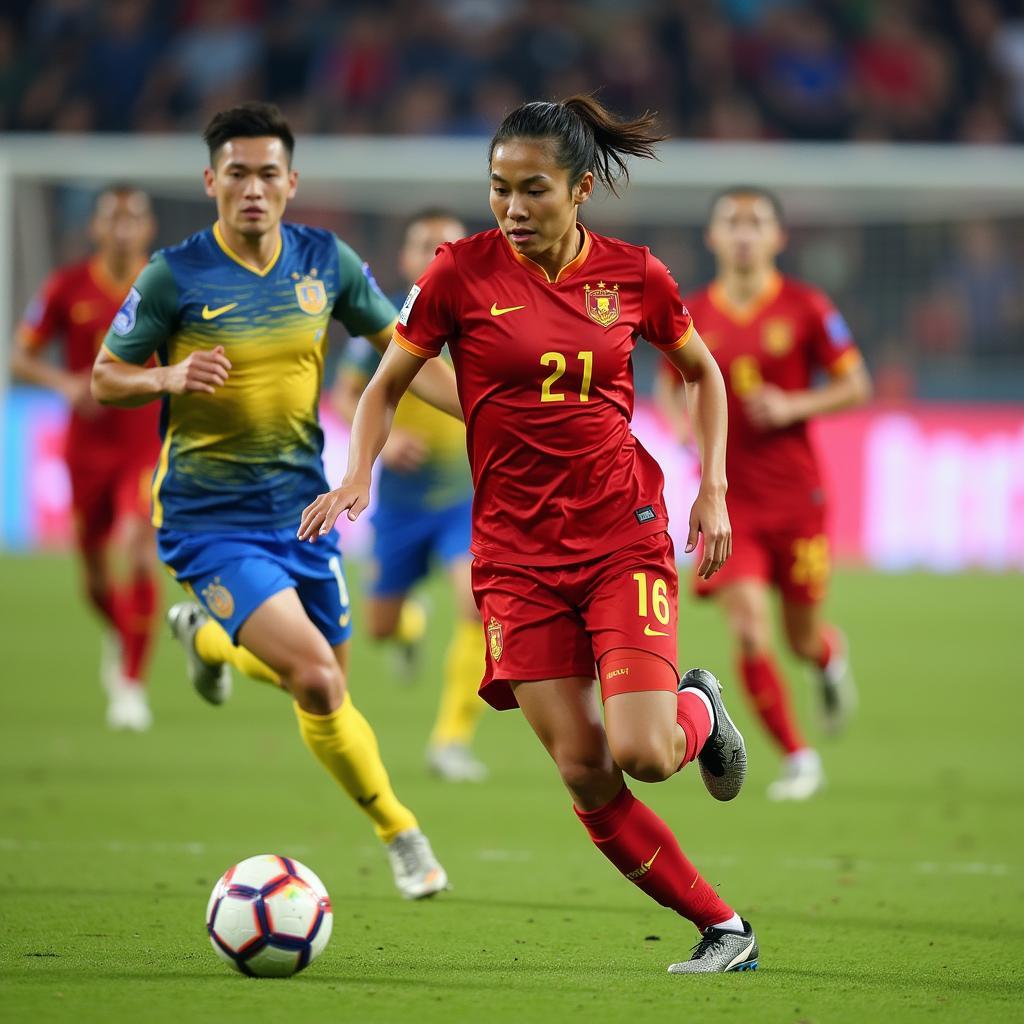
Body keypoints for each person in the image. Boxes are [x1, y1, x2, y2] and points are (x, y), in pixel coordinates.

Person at [300, 96, 760, 974]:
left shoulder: (637, 276)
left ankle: (696, 711)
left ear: (581, 189)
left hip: (620, 536)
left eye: (533, 191)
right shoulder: (456, 276)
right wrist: (355, 470)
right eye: (498, 190)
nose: (511, 210)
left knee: (644, 753)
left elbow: (703, 373)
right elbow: (384, 384)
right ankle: (724, 929)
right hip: (514, 559)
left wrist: (715, 489)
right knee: (586, 771)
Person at [90, 101, 461, 898]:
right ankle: (404, 834)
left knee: (327, 685)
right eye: (236, 174)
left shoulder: (326, 262)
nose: (252, 188)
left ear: (291, 182)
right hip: (207, 518)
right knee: (320, 680)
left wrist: (491, 415)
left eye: (267, 173)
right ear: (211, 181)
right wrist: (164, 374)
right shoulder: (174, 274)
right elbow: (103, 376)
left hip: (303, 509)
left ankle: (208, 638)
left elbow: (400, 354)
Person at [655, 186, 871, 801]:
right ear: (713, 238)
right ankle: (798, 757)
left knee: (801, 637)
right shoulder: (691, 311)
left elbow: (857, 384)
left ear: (777, 238)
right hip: (729, 502)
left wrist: (794, 404)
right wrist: (678, 425)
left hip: (797, 499)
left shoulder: (806, 307)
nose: (745, 233)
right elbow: (672, 381)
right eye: (733, 222)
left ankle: (828, 659)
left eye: (757, 223)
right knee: (749, 628)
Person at [334, 208, 487, 783]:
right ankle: (409, 628)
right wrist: (386, 442)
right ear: (404, 257)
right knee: (378, 626)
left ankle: (451, 740)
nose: (434, 253)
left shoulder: (485, 319)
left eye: (445, 244)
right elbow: (348, 395)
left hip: (463, 497)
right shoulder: (386, 324)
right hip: (399, 505)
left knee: (474, 606)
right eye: (423, 243)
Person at [12, 186, 160, 731]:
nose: (123, 225)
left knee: (140, 546)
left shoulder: (167, 285)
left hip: (146, 443)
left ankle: (131, 685)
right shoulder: (65, 287)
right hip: (87, 450)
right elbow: (21, 355)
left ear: (148, 227)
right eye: (112, 216)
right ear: (95, 228)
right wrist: (64, 383)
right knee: (95, 575)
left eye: (134, 216)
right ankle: (119, 633)